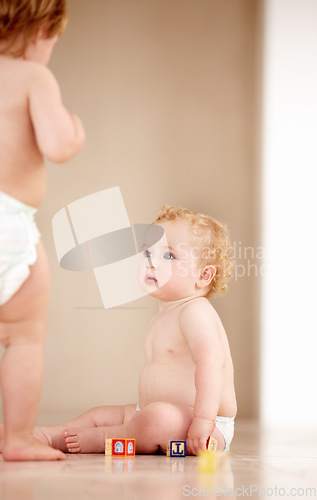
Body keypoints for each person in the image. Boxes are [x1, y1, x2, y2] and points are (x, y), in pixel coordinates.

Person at [28, 205, 237, 455]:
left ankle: (104, 439)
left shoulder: (196, 311)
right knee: (104, 413)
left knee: (158, 419)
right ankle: (50, 435)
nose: (151, 263)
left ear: (204, 275)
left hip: (204, 428)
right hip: (149, 413)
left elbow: (212, 363)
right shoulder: (165, 314)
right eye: (147, 253)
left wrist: (204, 421)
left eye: (168, 256)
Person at [0, 0, 85, 461]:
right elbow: (57, 145)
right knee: (23, 336)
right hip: (8, 227)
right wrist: (73, 130)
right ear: (40, 32)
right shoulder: (34, 78)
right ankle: (15, 439)